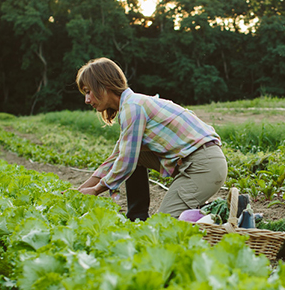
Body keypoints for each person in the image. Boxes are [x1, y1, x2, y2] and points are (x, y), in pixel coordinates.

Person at [75, 57, 227, 221]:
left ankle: (226, 212)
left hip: (203, 166)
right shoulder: (132, 105)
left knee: (164, 223)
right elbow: (117, 157)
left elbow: (126, 161)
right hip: (198, 162)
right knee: (136, 155)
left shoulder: (133, 108)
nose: (87, 100)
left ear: (103, 85)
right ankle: (137, 217)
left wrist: (97, 190)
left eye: (88, 91)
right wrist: (79, 192)